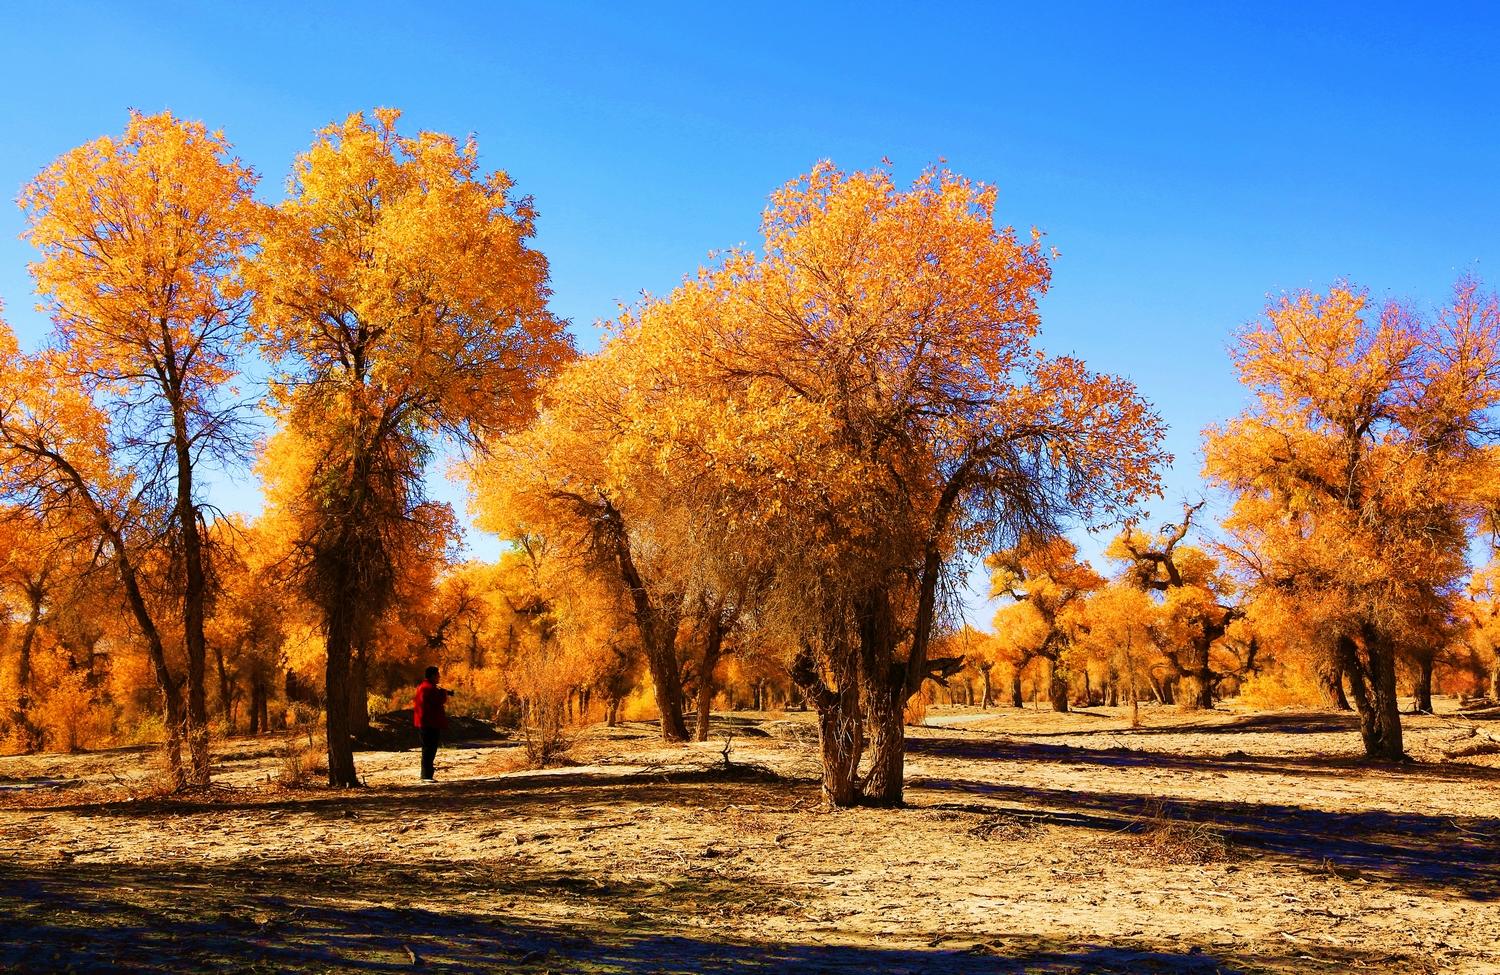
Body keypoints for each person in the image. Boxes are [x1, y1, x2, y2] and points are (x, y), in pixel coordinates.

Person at [413, 666, 452, 781]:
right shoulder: (429, 688)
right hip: (429, 723)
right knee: (429, 749)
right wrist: (444, 693)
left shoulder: (424, 686)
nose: (439, 677)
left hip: (425, 722)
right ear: (433, 676)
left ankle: (426, 774)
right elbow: (439, 701)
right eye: (438, 675)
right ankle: (426, 775)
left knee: (428, 748)